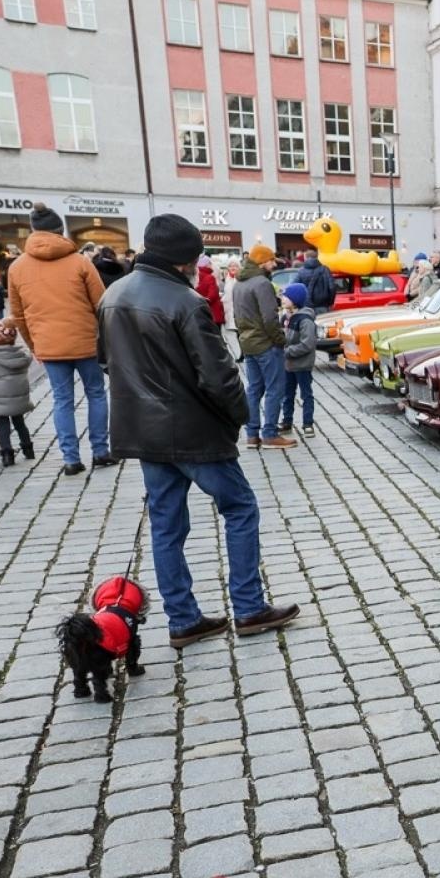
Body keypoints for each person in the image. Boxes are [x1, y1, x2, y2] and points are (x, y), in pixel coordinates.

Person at [98, 213, 299, 649]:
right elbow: (219, 376)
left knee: (166, 526)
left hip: (145, 432)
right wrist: (240, 415)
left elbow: (105, 360)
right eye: (195, 256)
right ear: (183, 259)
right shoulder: (185, 301)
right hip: (192, 430)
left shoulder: (113, 294)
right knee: (240, 508)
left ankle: (183, 619)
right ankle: (248, 606)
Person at [5, 202, 111, 475]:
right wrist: (105, 339)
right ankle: (100, 451)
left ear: (33, 230)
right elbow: (101, 304)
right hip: (86, 341)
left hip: (49, 345)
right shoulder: (80, 262)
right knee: (96, 393)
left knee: (62, 400)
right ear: (60, 230)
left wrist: (34, 345)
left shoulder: (17, 268)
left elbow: (18, 315)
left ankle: (71, 459)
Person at [231, 243, 294, 449]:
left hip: (248, 342)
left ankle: (252, 434)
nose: (274, 264)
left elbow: (236, 315)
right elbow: (269, 318)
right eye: (271, 260)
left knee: (254, 389)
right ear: (261, 262)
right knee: (275, 388)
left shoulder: (239, 283)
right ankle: (270, 434)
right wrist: (280, 339)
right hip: (266, 344)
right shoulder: (262, 283)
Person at [277, 282, 317, 438]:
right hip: (288, 365)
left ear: (295, 300)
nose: (283, 299)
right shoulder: (285, 317)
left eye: (286, 297)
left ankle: (308, 423)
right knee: (287, 394)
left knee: (306, 394)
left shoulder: (305, 320)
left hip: (302, 364)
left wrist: (287, 351)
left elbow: (308, 344)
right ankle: (287, 422)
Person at [0, 318, 35, 466]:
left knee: (2, 425)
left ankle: (7, 454)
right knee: (20, 423)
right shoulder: (20, 353)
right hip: (18, 396)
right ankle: (28, 449)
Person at [298, 249, 336, 313]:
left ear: (306, 258)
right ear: (317, 258)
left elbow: (296, 288)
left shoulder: (301, 271)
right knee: (325, 319)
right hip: (323, 305)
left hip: (307, 306)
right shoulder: (325, 269)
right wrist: (330, 302)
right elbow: (332, 287)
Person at [195, 255, 224, 326]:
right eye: (210, 263)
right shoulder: (210, 277)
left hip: (201, 312)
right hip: (213, 312)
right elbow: (213, 295)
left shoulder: (196, 277)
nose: (211, 265)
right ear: (206, 265)